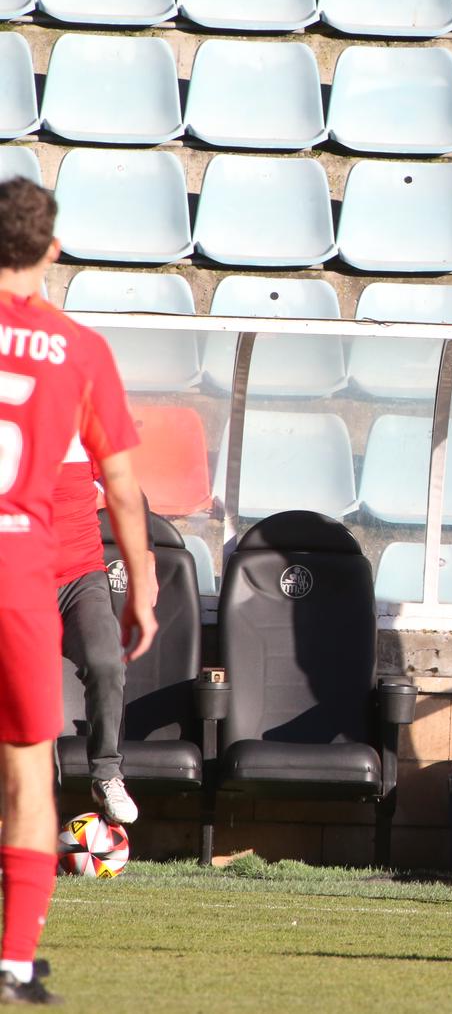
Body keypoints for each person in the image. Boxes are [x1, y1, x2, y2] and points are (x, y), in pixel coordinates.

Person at [0, 177, 156, 1005]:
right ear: (51, 251)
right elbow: (123, 485)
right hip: (22, 566)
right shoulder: (78, 347)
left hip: (46, 568)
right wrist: (147, 580)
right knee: (28, 774)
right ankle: (17, 963)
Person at [52, 446, 150, 825]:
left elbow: (125, 491)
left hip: (82, 578)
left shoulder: (83, 427)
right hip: (21, 580)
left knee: (106, 662)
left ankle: (107, 773)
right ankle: (41, 804)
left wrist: (147, 554)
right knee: (33, 693)